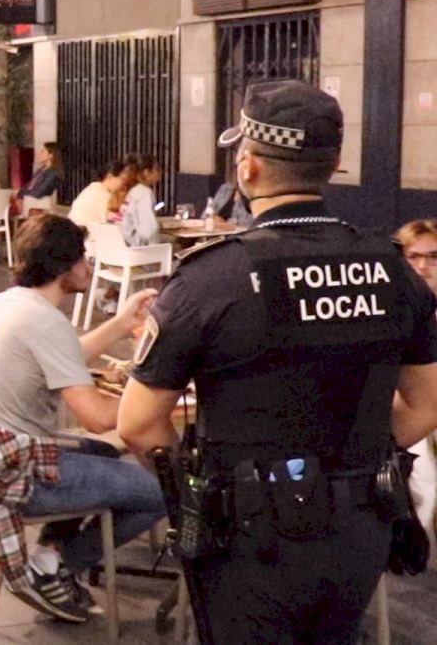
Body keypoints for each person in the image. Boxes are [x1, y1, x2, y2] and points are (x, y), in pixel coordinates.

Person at [118, 80, 437, 644]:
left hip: (251, 533)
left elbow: (139, 423)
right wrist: (354, 457)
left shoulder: (211, 277)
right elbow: (427, 403)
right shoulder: (392, 270)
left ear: (248, 167)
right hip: (361, 525)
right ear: (334, 165)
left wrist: (200, 487)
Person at [0, 215, 164, 622]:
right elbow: (98, 417)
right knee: (165, 491)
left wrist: (121, 323)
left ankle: (51, 553)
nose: (88, 267)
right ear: (63, 267)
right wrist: (158, 391)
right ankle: (59, 564)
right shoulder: (45, 321)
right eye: (83, 259)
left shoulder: (7, 303)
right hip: (24, 479)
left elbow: (64, 356)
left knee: (103, 454)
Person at [398, 219, 437, 547]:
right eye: (414, 256)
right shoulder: (391, 315)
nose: (423, 266)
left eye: (433, 257)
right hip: (413, 417)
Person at [67, 160, 129, 227]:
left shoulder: (94, 188)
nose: (124, 184)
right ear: (110, 177)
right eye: (123, 179)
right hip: (80, 230)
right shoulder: (101, 194)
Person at [120, 154, 162, 247]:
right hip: (138, 248)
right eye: (157, 170)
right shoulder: (144, 193)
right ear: (146, 172)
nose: (159, 174)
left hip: (124, 243)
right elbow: (149, 230)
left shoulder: (131, 191)